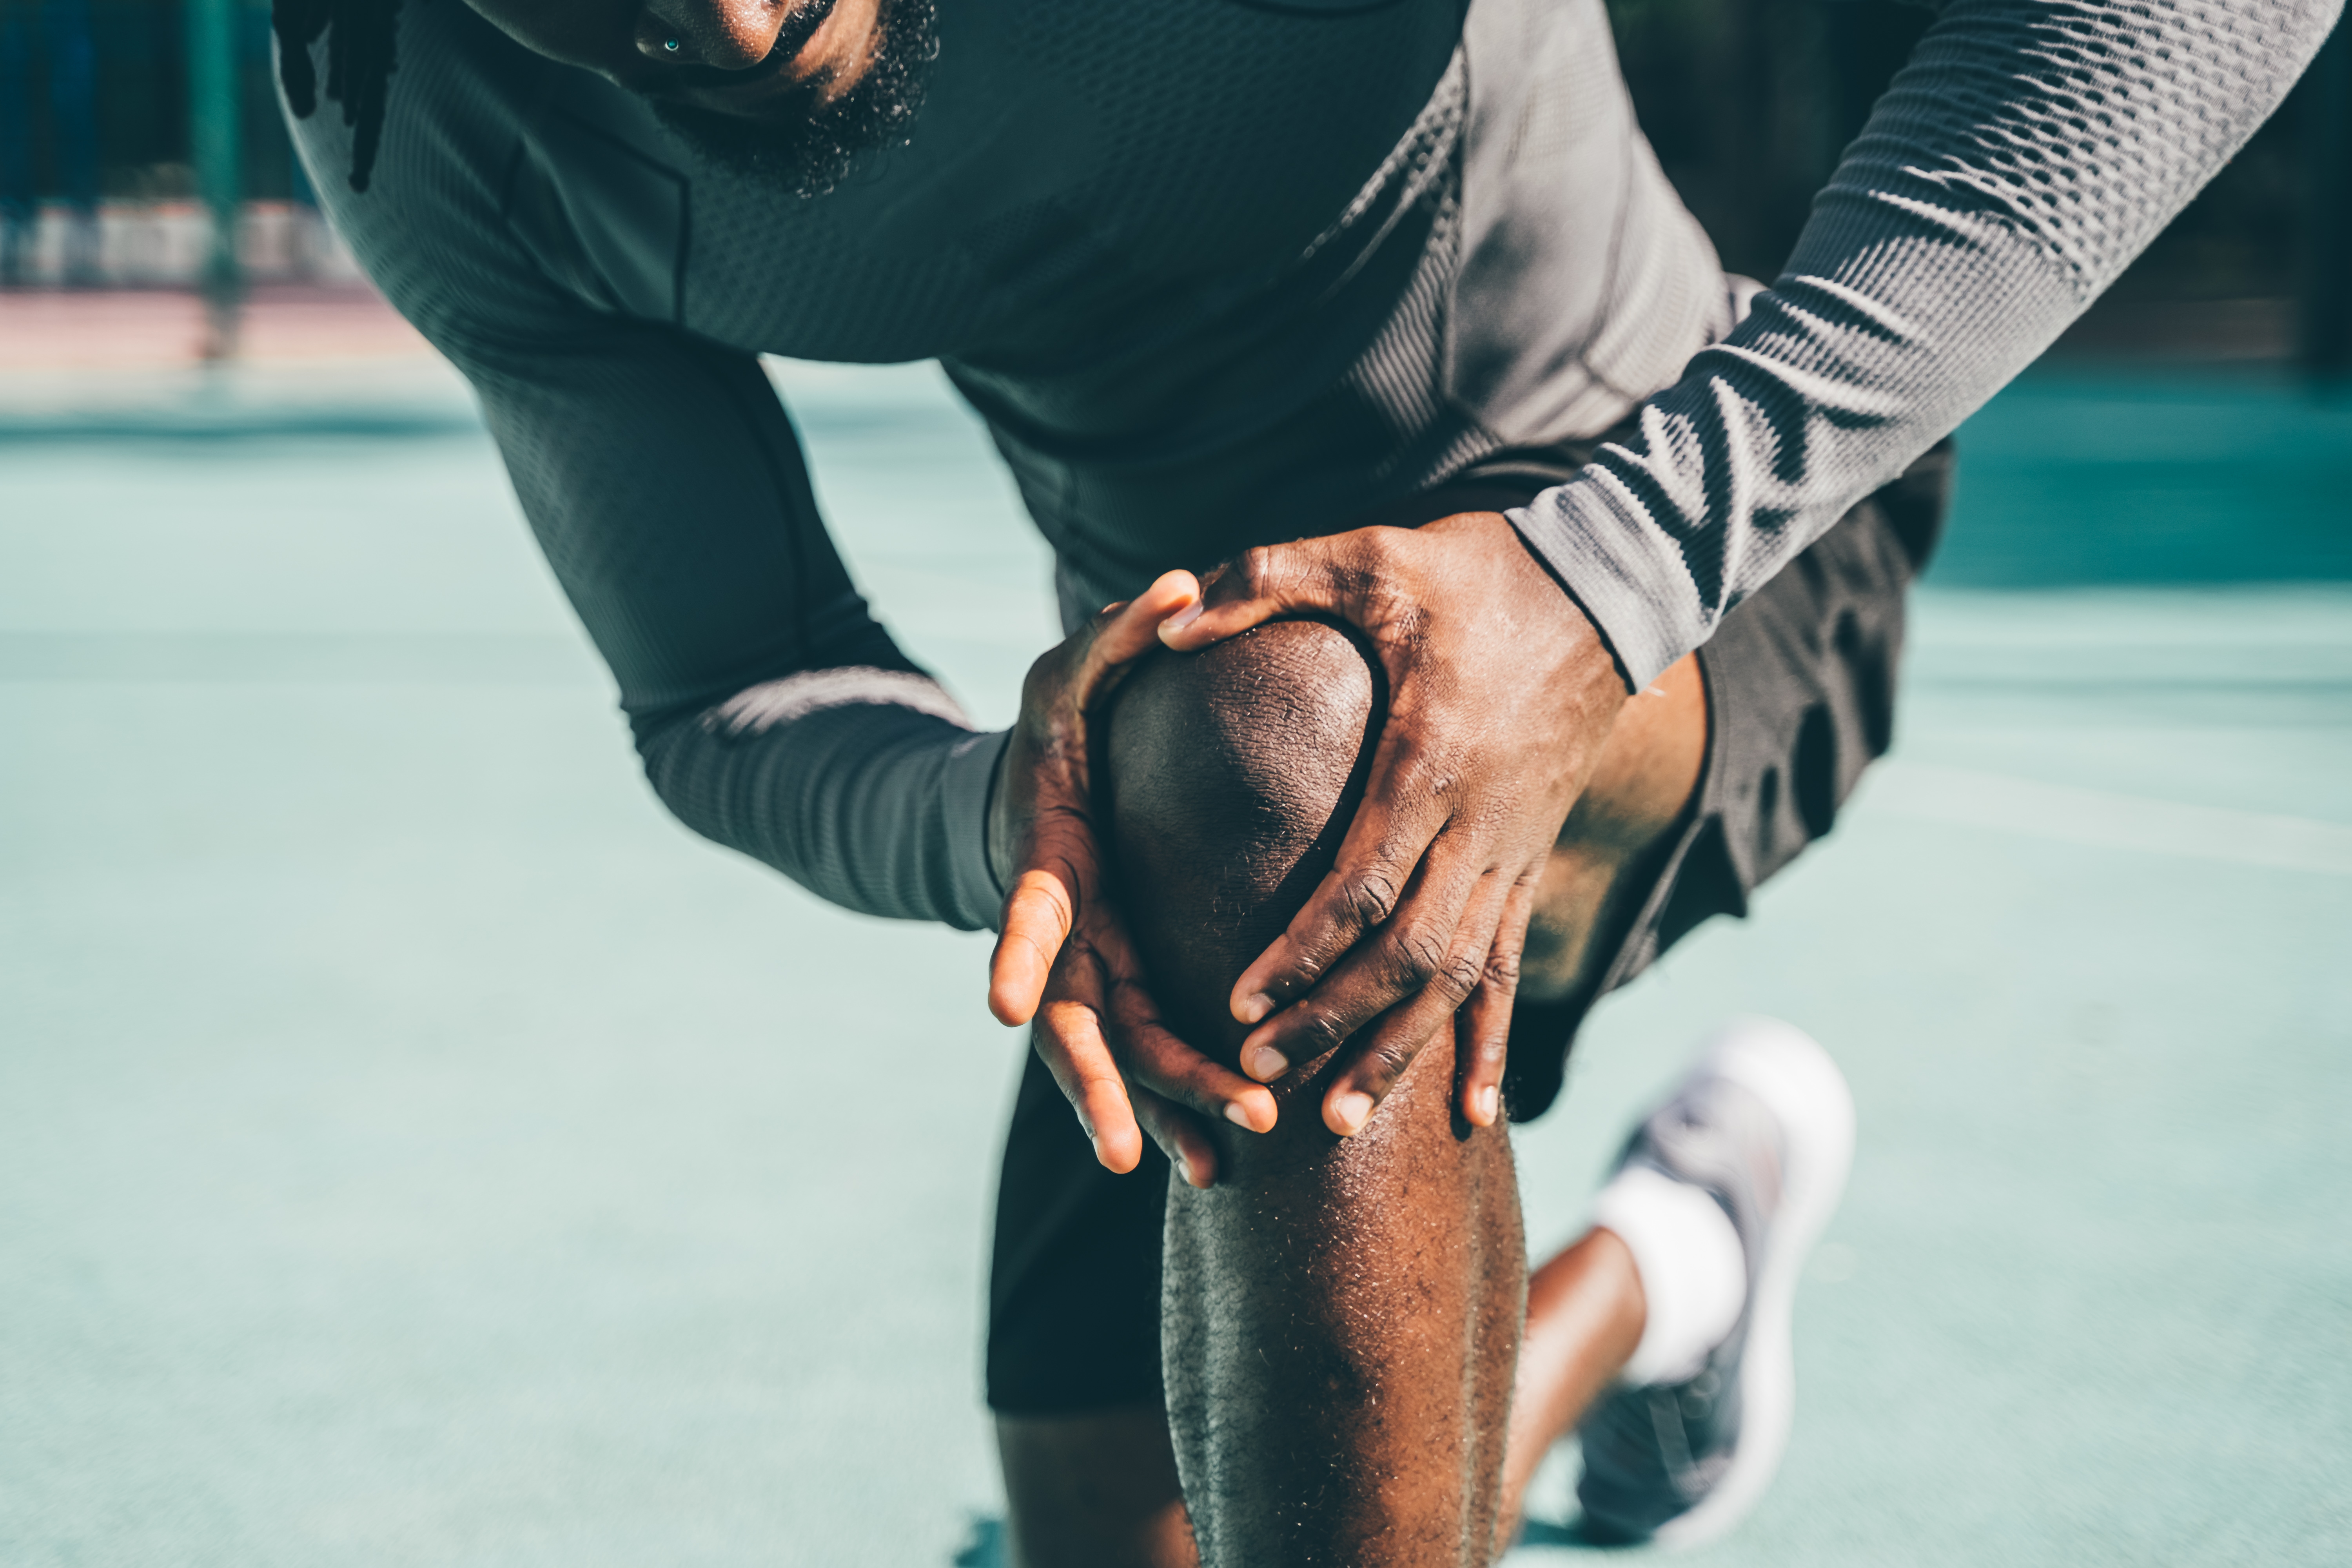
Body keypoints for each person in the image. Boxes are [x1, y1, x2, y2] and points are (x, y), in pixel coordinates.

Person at [267, 0, 2337, 1560]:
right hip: (1193, 789)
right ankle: (1674, 1260)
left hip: (1710, 563)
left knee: (1286, 747)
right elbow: (726, 681)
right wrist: (1002, 807)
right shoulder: (418, 100)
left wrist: (1604, 571)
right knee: (1186, 1505)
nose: (718, 16)